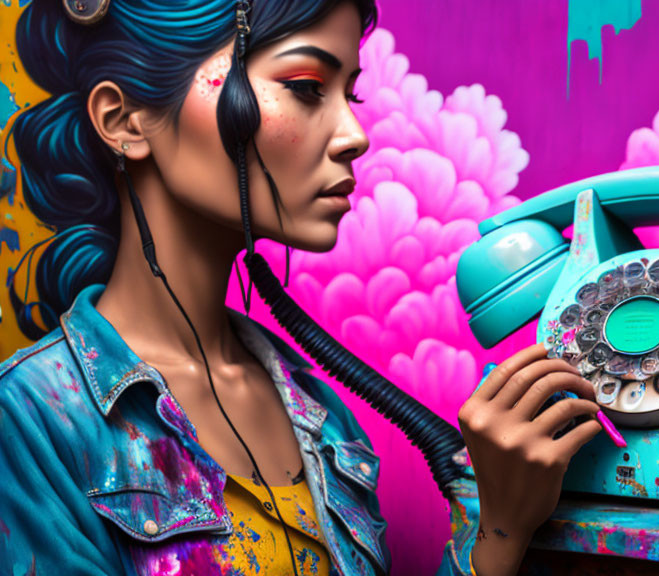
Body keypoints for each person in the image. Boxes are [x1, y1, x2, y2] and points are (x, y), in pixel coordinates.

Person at [0, 1, 603, 575]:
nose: (354, 134)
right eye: (307, 86)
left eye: (350, 93)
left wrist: (498, 527)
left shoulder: (324, 416)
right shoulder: (30, 423)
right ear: (125, 120)